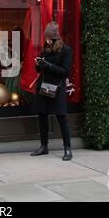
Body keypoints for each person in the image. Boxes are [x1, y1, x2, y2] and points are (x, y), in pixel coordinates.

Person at [30, 21, 73, 161]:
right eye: (46, 38)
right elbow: (42, 70)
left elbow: (65, 72)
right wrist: (39, 64)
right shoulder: (46, 48)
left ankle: (67, 148)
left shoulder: (65, 50)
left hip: (57, 87)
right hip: (44, 86)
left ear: (54, 37)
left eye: (48, 38)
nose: (46, 40)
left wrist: (47, 65)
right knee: (42, 116)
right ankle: (44, 146)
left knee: (61, 118)